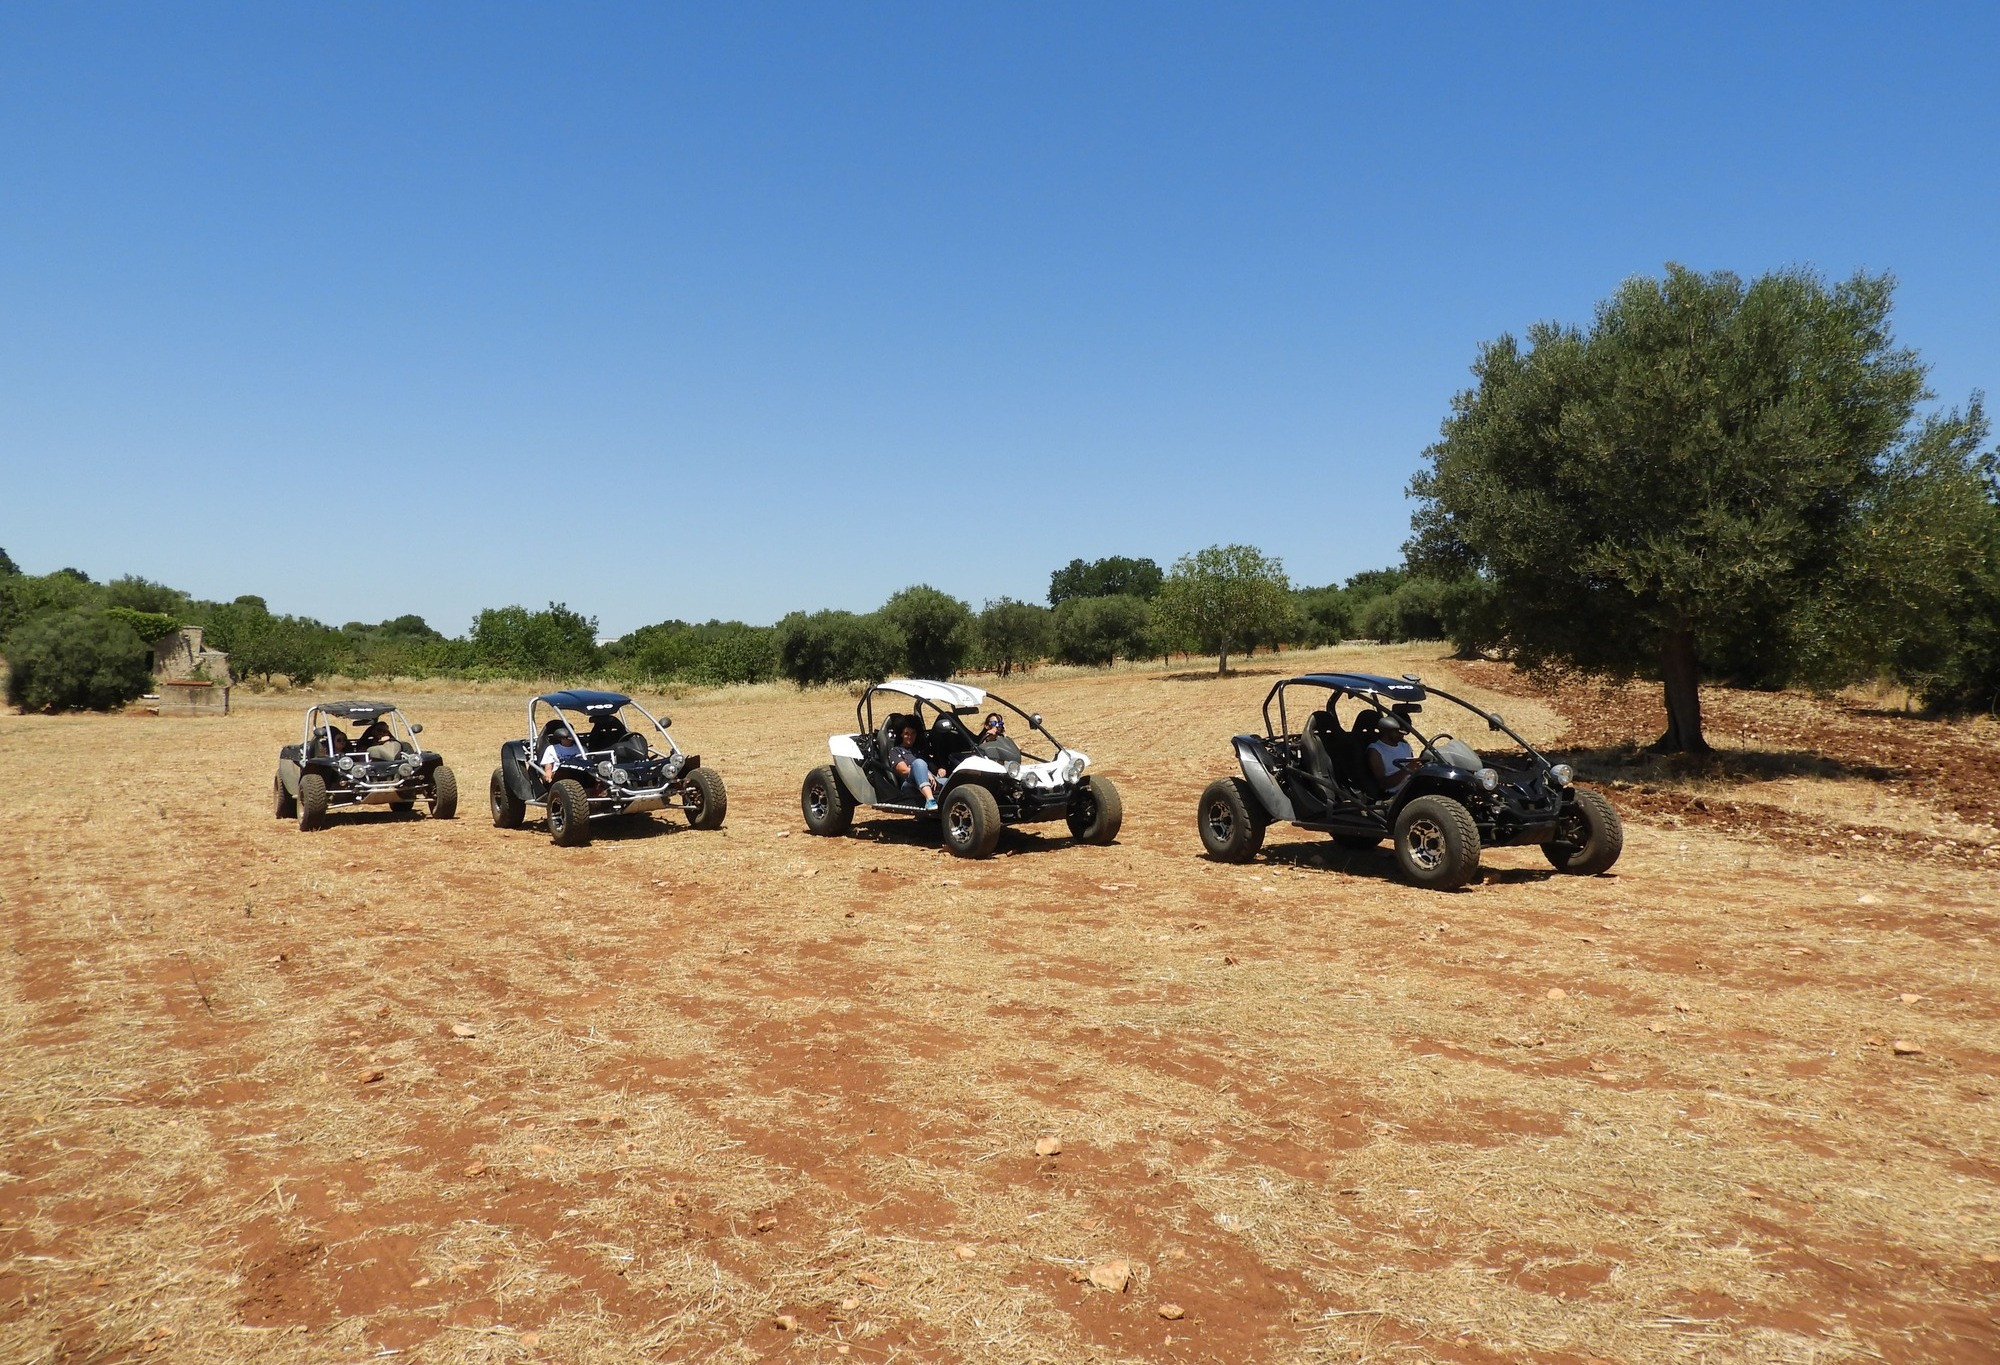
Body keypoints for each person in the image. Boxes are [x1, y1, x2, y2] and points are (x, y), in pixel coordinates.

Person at [887, 720, 939, 810]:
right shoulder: (896, 751)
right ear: (901, 735)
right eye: (906, 734)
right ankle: (930, 800)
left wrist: (941, 769)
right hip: (909, 783)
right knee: (919, 762)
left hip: (932, 780)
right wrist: (925, 772)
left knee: (952, 782)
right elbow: (903, 770)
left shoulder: (919, 751)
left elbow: (932, 766)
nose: (910, 737)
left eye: (913, 733)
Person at [1367, 712, 1418, 793]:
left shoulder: (1405, 746)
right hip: (1396, 794)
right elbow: (1383, 784)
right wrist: (1408, 769)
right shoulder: (1376, 750)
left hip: (1412, 787)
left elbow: (1414, 767)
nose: (1401, 736)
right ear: (1388, 728)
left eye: (1403, 733)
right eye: (1398, 732)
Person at [539, 718, 584, 784]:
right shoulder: (552, 749)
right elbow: (548, 765)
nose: (569, 739)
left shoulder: (580, 749)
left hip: (578, 773)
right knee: (564, 771)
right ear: (560, 737)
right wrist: (548, 774)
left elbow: (587, 763)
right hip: (560, 775)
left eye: (570, 737)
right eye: (566, 738)